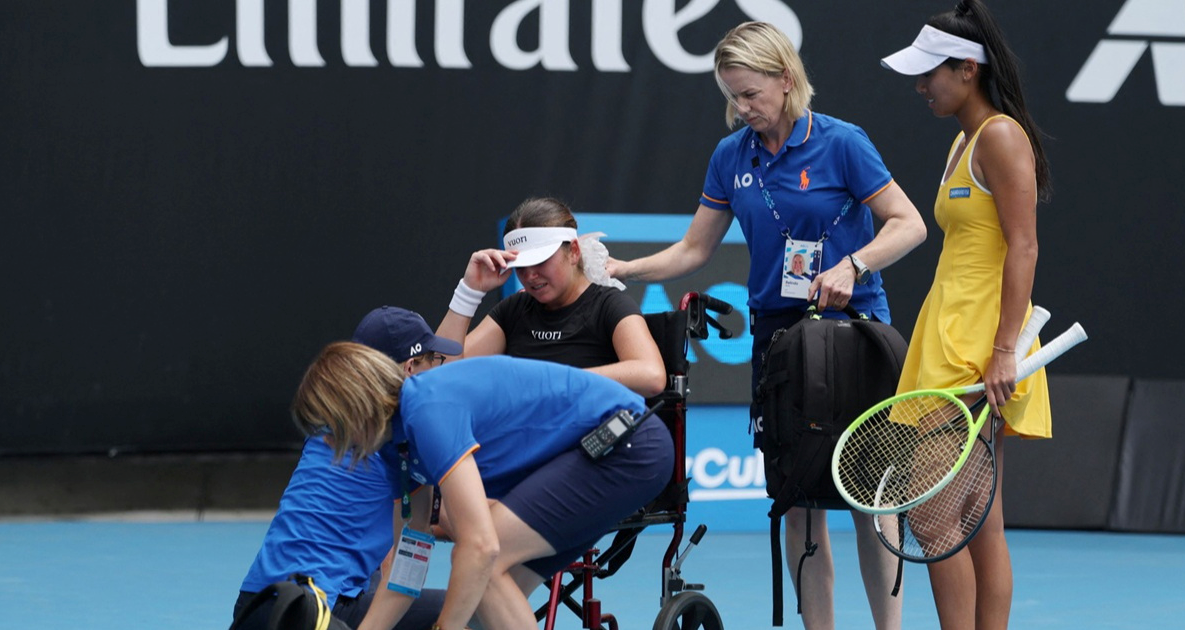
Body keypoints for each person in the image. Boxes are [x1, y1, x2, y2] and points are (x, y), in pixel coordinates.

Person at [606, 21, 927, 630]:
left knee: (871, 500)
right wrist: (626, 266)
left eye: (751, 93)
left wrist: (853, 266)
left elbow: (908, 224)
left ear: (786, 80)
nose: (742, 107)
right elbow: (693, 250)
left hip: (856, 332)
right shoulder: (732, 156)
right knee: (799, 498)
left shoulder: (843, 143)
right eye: (732, 94)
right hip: (782, 342)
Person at [291, 344, 675, 630]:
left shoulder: (427, 410)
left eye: (330, 427)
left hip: (627, 444)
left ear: (354, 408)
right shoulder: (395, 447)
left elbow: (481, 546)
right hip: (593, 457)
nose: (330, 443)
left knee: (482, 566)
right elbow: (411, 553)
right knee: (481, 610)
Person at [880, 1, 1052, 628]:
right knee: (979, 512)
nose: (921, 86)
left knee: (932, 515)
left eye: (930, 74)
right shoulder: (964, 140)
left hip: (978, 345)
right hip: (948, 331)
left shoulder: (1001, 135)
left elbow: (1025, 244)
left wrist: (1005, 347)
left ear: (967, 69)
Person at [232, 307, 459, 630]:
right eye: (431, 360)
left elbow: (411, 529)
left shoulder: (334, 426)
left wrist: (469, 292)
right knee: (473, 608)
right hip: (312, 612)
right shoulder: (397, 443)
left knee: (381, 572)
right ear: (410, 367)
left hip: (254, 605)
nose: (436, 372)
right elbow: (452, 526)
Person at [437, 196, 665, 397]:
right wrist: (469, 292)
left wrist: (555, 382)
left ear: (574, 251)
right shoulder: (515, 309)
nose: (530, 275)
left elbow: (652, 375)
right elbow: (438, 376)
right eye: (521, 266)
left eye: (540, 261)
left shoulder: (609, 304)